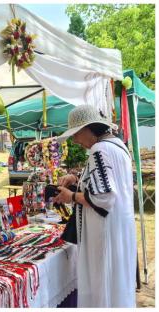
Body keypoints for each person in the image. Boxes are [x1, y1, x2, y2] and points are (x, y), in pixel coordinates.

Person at [54, 105, 136, 308]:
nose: (75, 140)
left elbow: (104, 197)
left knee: (103, 286)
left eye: (75, 134)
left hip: (104, 232)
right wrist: (76, 178)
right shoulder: (117, 145)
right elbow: (105, 182)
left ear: (87, 129)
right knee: (116, 285)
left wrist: (71, 196)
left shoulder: (100, 150)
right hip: (117, 228)